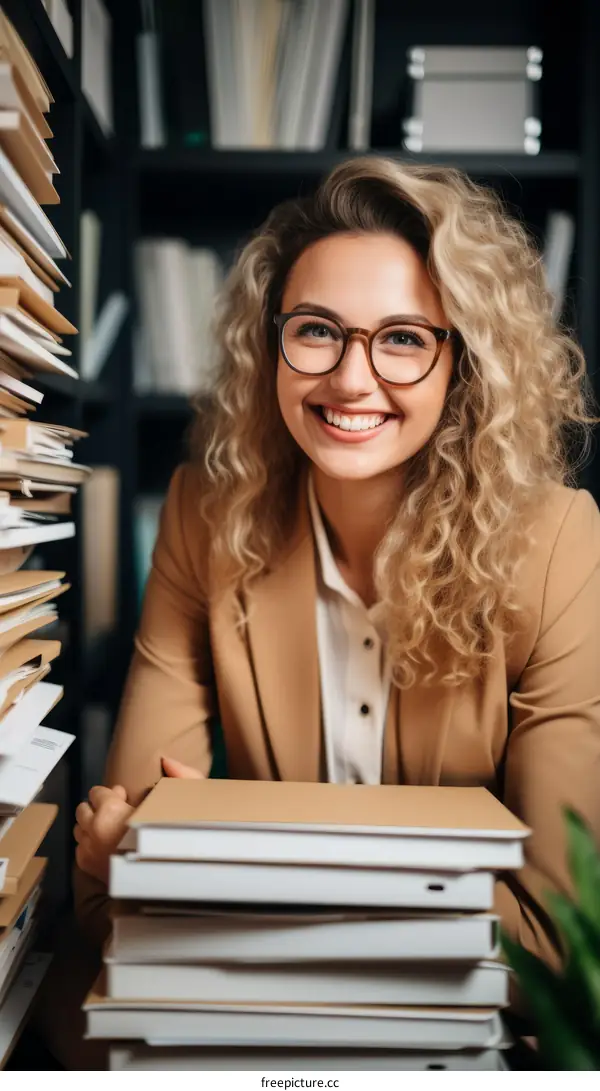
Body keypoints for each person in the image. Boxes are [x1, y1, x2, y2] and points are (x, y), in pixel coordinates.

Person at [74, 155, 600, 976]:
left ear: (463, 364)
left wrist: (218, 859)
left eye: (402, 338)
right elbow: (106, 892)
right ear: (271, 345)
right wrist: (432, 888)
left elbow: (561, 940)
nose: (352, 379)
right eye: (316, 329)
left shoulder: (561, 544)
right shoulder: (202, 514)